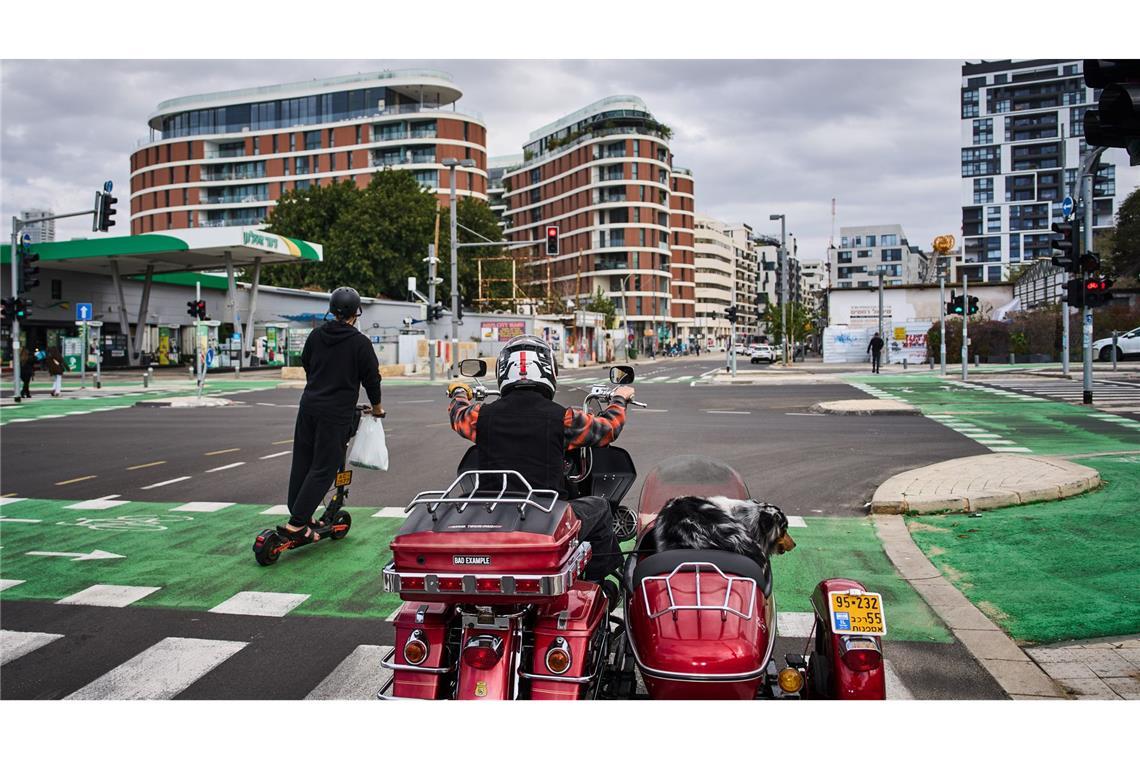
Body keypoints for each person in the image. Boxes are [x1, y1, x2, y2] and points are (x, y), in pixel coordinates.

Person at [447, 334, 633, 584]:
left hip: (493, 514)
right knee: (599, 509)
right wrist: (619, 398)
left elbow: (458, 414)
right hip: (546, 516)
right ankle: (598, 585)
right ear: (548, 370)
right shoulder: (563, 418)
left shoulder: (482, 417)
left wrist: (460, 392)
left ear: (504, 372)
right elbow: (608, 429)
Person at [284, 287, 384, 544]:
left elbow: (307, 363)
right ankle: (297, 524)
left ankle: (301, 515)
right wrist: (377, 407)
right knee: (325, 468)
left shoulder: (316, 335)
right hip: (336, 412)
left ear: (331, 310)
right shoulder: (360, 342)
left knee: (303, 461)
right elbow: (371, 379)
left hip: (309, 406)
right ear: (357, 312)